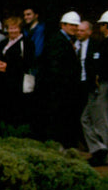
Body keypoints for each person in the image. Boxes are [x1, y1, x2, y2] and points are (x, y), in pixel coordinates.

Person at [34, 11, 81, 147]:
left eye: (76, 26)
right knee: (56, 122)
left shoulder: (66, 40)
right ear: (63, 25)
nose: (74, 28)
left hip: (62, 91)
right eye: (72, 25)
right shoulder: (57, 41)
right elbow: (55, 68)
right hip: (57, 91)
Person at [81, 9, 108, 166]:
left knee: (102, 121)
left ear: (106, 25)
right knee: (85, 118)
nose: (100, 28)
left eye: (101, 24)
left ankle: (103, 153)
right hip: (97, 87)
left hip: (104, 86)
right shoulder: (105, 43)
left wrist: (98, 76)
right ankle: (98, 148)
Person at [0, 16, 34, 127]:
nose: (12, 31)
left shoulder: (26, 43)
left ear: (20, 29)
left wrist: (8, 67)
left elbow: (28, 63)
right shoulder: (3, 43)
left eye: (15, 28)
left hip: (16, 85)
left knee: (16, 113)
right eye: (10, 28)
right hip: (2, 84)